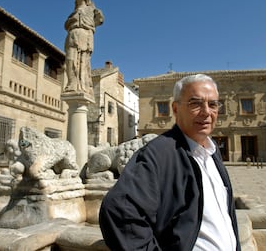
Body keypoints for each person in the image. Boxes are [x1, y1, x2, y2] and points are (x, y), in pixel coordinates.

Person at [99, 74, 241, 250]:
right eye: (195, 103)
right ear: (175, 109)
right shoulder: (158, 153)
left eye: (212, 104)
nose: (206, 112)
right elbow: (119, 212)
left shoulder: (213, 153)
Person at [63, 0, 104, 94]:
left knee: (83, 63)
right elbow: (65, 25)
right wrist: (73, 19)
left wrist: (98, 16)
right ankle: (72, 83)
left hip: (84, 36)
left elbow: (99, 21)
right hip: (71, 35)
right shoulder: (74, 11)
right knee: (70, 60)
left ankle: (82, 84)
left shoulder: (91, 9)